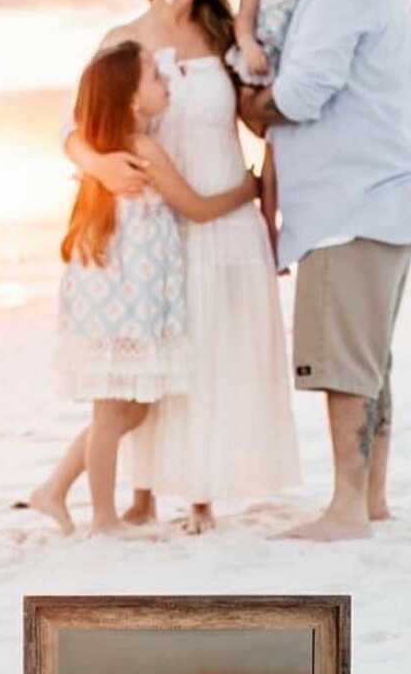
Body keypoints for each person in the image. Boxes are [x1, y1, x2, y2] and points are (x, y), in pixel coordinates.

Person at [66, 0, 301, 535]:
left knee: (218, 354)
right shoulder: (124, 40)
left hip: (227, 220)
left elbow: (260, 120)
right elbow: (79, 126)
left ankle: (201, 494)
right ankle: (142, 493)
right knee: (162, 365)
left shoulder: (226, 34)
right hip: (158, 232)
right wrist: (100, 164)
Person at [239, 0, 411, 542]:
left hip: (348, 202)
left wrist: (254, 105)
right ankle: (370, 500)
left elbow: (304, 91)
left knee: (346, 361)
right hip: (381, 195)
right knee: (371, 357)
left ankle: (347, 506)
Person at [30, 41, 258, 537]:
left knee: (129, 407)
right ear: (133, 99)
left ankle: (54, 489)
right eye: (155, 76)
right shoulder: (143, 149)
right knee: (114, 407)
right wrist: (248, 190)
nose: (166, 82)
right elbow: (194, 207)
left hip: (120, 294)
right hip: (124, 299)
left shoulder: (111, 145)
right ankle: (105, 519)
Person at [225, 0, 307, 260]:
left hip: (295, 61)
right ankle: (271, 236)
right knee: (271, 152)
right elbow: (244, 18)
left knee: (287, 152)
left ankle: (290, 231)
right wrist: (251, 48)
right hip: (263, 62)